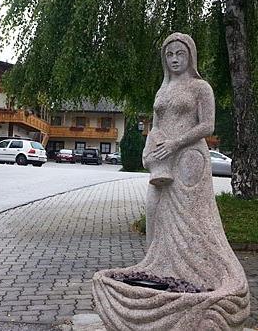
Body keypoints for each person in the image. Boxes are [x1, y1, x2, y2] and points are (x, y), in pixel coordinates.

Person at [92, 33, 249, 330]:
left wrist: (176, 144)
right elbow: (156, 125)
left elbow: (208, 125)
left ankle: (199, 273)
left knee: (191, 217)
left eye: (180, 53)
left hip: (189, 158)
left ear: (191, 55)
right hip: (162, 160)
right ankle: (157, 270)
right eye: (170, 55)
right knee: (155, 210)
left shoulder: (200, 88)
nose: (175, 59)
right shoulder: (162, 91)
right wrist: (150, 147)